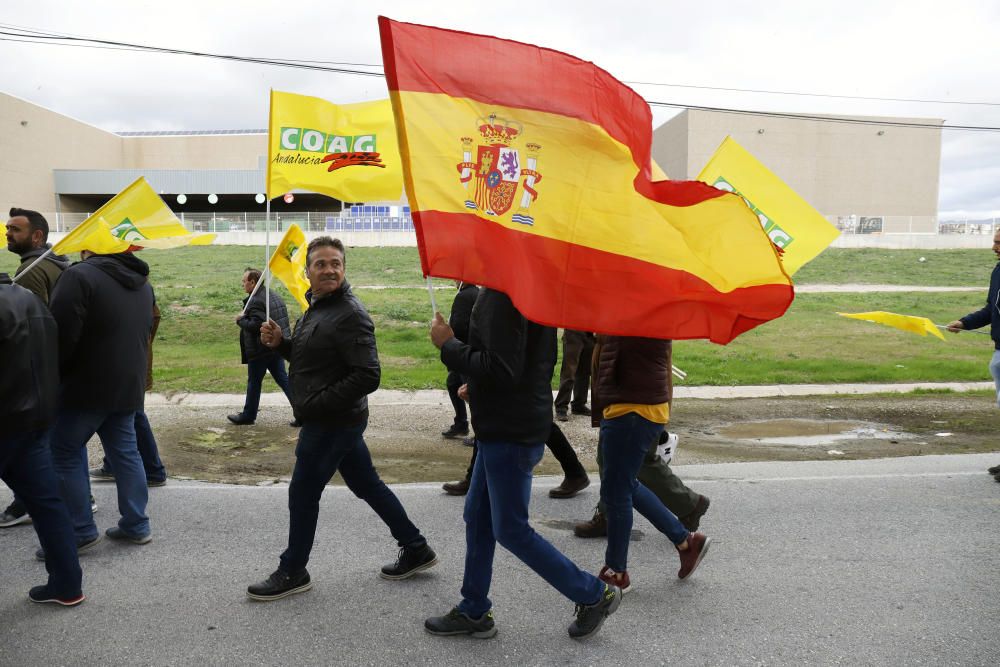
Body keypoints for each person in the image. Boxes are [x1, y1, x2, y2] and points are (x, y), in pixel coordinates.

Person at [247, 237, 436, 601]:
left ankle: (293, 569)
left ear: (344, 269)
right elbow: (313, 357)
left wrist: (317, 405)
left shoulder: (350, 313)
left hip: (333, 422)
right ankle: (416, 548)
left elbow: (368, 375)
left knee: (303, 492)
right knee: (367, 485)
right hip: (338, 419)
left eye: (335, 263)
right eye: (321, 264)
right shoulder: (317, 307)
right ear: (308, 273)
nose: (329, 269)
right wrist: (282, 344)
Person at [425, 288, 620, 640]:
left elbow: (502, 368)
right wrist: (478, 385)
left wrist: (449, 345)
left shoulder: (502, 296)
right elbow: (524, 362)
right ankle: (474, 609)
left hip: (510, 432)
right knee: (478, 518)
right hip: (505, 423)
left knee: (511, 530)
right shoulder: (523, 291)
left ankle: (594, 594)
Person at [44, 248, 155, 554]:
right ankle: (136, 524)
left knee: (64, 451)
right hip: (127, 385)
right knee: (126, 453)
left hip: (84, 386)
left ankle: (80, 530)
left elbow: (61, 336)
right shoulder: (143, 282)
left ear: (89, 247)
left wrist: (52, 375)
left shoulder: (78, 276)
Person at [589, 335, 711, 592]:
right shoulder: (635, 308)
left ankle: (616, 572)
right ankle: (686, 543)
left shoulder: (636, 310)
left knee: (618, 493)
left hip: (632, 410)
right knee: (624, 487)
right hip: (631, 408)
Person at [0, 282, 84, 606]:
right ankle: (67, 584)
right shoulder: (31, 300)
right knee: (48, 505)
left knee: (47, 504)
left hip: (9, 417)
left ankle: (66, 584)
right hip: (35, 417)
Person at [0, 207, 71, 528]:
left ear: (37, 235)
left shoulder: (31, 272)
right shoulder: (61, 264)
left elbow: (32, 330)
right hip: (55, 370)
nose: (7, 233)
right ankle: (76, 499)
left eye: (15, 229)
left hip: (33, 376)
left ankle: (29, 503)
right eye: (7, 228)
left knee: (34, 452)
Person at [90, 292, 168, 486]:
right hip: (130, 359)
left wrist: (142, 341)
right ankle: (115, 465)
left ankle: (152, 469)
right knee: (119, 415)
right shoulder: (134, 278)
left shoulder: (131, 281)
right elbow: (154, 316)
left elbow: (154, 316)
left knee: (132, 415)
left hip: (126, 362)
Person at [443, 401, 591, 499]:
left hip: (524, 374)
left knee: (539, 423)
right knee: (488, 418)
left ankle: (575, 473)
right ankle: (474, 479)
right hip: (518, 373)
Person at [946, 228, 1000, 481]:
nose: (994, 248)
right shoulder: (998, 271)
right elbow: (992, 309)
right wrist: (965, 323)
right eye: (994, 242)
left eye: (998, 243)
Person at [228, 267, 295, 426]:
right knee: (283, 380)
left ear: (253, 282)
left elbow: (257, 325)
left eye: (244, 281)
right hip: (275, 347)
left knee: (254, 382)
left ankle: (248, 416)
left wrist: (240, 320)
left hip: (261, 350)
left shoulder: (256, 300)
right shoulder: (272, 295)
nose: (242, 283)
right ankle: (302, 412)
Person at [441, 281, 479, 439]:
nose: (454, 281)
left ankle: (479, 431)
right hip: (470, 351)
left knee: (469, 391)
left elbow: (458, 326)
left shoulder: (463, 297)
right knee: (453, 384)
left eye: (456, 279)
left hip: (463, 352)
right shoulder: (477, 293)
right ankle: (461, 423)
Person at [554, 330, 596, 421]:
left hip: (589, 332)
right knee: (569, 371)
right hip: (573, 331)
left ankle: (579, 405)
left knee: (585, 371)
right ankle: (561, 407)